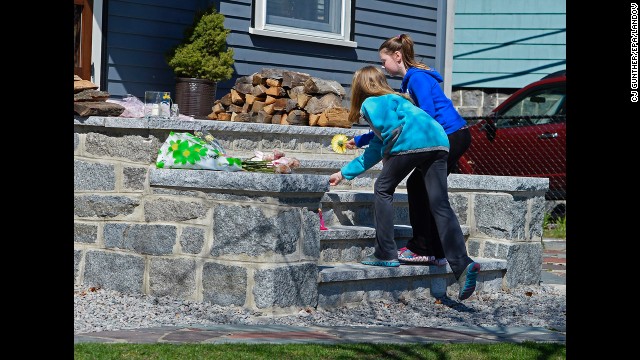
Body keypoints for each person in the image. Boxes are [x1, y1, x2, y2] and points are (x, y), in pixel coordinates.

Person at [329, 65, 480, 300]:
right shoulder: (400, 99)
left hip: (413, 144)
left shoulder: (370, 104)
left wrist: (359, 168)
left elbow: (385, 140)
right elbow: (382, 139)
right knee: (439, 204)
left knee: (382, 188)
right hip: (440, 141)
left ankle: (385, 253)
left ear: (359, 87)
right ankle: (462, 264)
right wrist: (345, 173)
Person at [346, 33, 471, 266]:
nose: (383, 67)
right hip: (447, 136)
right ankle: (435, 250)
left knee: (422, 188)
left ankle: (425, 247)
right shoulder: (409, 81)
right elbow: (406, 123)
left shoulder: (417, 79)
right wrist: (363, 139)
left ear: (397, 56)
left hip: (450, 134)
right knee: (423, 188)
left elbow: (427, 117)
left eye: (384, 61)